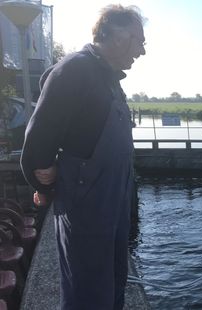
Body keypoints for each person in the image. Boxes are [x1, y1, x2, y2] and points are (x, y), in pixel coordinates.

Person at [20, 5, 146, 309]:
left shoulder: (109, 79)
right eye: (138, 40)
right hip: (87, 213)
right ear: (116, 35)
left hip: (112, 210)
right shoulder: (75, 70)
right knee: (87, 295)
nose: (142, 51)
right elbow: (37, 144)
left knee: (113, 286)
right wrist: (46, 181)